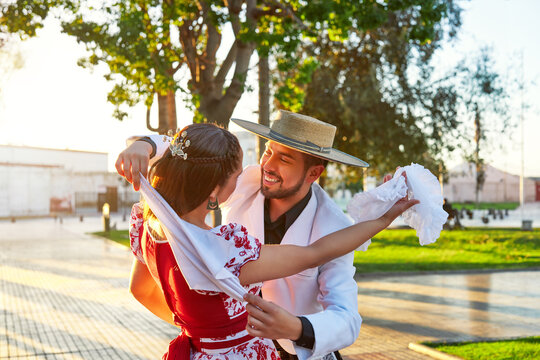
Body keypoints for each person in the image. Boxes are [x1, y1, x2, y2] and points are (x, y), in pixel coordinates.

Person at [117, 111, 412, 360]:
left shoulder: (336, 228)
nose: (266, 166)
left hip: (301, 352)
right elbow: (193, 154)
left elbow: (347, 320)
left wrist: (296, 328)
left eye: (284, 159)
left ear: (313, 173)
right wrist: (146, 144)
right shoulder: (241, 184)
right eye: (267, 151)